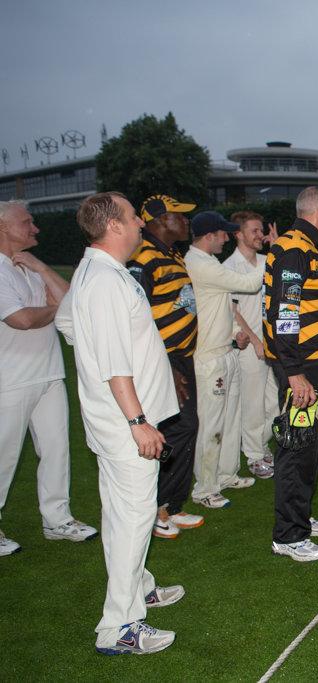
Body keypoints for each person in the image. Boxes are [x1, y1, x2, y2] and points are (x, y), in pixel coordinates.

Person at [56, 192, 187, 655]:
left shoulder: (92, 270)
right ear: (114, 225)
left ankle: (140, 588)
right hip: (127, 423)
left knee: (122, 515)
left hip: (113, 418)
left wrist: (93, 362)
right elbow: (114, 364)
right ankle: (120, 626)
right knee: (133, 519)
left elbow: (66, 323)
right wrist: (137, 420)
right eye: (132, 217)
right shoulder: (105, 281)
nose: (138, 224)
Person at [0, 201, 97, 557]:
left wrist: (40, 267)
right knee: (4, 457)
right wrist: (57, 309)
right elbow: (22, 320)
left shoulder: (27, 267)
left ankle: (58, 520)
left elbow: (71, 300)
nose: (35, 228)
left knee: (57, 450)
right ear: (3, 227)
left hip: (50, 374)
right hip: (9, 380)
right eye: (27, 222)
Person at [263, 186, 318, 562]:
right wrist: (294, 372)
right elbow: (285, 312)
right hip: (301, 365)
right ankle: (289, 535)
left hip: (308, 362)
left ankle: (300, 518)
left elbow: (307, 308)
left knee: (307, 443)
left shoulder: (303, 247)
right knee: (297, 446)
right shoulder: (295, 249)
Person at [128, 195, 205, 537]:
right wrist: (166, 367)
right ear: (158, 220)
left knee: (186, 428)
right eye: (180, 215)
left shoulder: (170, 253)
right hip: (162, 360)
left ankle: (171, 505)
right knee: (175, 429)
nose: (186, 221)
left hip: (180, 357)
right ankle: (155, 507)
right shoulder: (142, 258)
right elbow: (137, 320)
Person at [184, 211, 264, 508]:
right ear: (209, 236)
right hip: (209, 357)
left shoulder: (208, 262)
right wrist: (279, 254)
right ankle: (204, 488)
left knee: (230, 419)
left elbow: (223, 305)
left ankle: (226, 474)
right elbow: (250, 283)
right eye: (223, 234)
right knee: (212, 424)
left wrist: (234, 332)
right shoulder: (198, 263)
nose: (227, 238)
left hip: (225, 350)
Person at [223, 211, 277, 479]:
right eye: (254, 231)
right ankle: (254, 456)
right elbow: (233, 312)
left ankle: (259, 443)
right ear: (239, 234)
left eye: (261, 230)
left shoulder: (268, 260)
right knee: (253, 404)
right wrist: (255, 341)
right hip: (249, 346)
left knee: (275, 404)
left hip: (271, 344)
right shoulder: (229, 267)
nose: (260, 235)